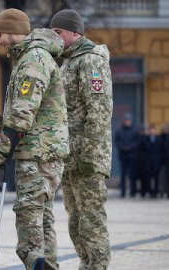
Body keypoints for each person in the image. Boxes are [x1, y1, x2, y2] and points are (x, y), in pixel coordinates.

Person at [0, 9, 69, 270]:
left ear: (12, 31)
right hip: (43, 152)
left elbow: (22, 117)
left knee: (29, 234)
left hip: (37, 156)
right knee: (42, 222)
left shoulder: (33, 60)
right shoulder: (31, 58)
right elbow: (31, 113)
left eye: (0, 35)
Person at [51, 9, 113, 270]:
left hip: (87, 156)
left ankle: (97, 266)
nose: (54, 38)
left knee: (91, 221)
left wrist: (89, 155)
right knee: (75, 221)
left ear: (74, 32)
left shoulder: (90, 60)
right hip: (70, 155)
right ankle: (86, 265)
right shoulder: (67, 61)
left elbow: (98, 110)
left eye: (58, 32)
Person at [114, 113, 139, 198]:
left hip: (132, 156)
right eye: (126, 120)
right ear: (123, 121)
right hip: (123, 156)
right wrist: (123, 147)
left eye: (128, 120)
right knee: (123, 175)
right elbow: (116, 141)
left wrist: (130, 147)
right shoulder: (119, 130)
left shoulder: (135, 130)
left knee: (132, 175)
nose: (127, 122)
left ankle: (133, 192)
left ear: (131, 121)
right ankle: (123, 192)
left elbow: (137, 141)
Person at [142, 124, 163, 198]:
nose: (152, 131)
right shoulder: (146, 138)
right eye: (151, 130)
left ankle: (156, 191)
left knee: (156, 177)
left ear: (155, 130)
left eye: (153, 129)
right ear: (149, 131)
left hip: (156, 161)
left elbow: (161, 150)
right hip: (148, 161)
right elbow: (144, 148)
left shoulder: (159, 138)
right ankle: (149, 191)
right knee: (148, 178)